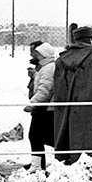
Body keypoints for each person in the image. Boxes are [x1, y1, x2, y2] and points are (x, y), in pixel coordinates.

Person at [53, 26, 92, 164]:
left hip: (67, 105)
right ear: (90, 38)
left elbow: (59, 87)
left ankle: (69, 156)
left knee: (69, 129)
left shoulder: (61, 60)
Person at [24, 41, 56, 171]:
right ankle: (37, 164)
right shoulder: (45, 67)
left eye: (37, 53)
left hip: (45, 108)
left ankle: (37, 165)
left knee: (36, 135)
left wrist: (32, 104)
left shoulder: (48, 68)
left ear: (43, 55)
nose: (34, 56)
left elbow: (44, 90)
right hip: (45, 107)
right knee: (40, 136)